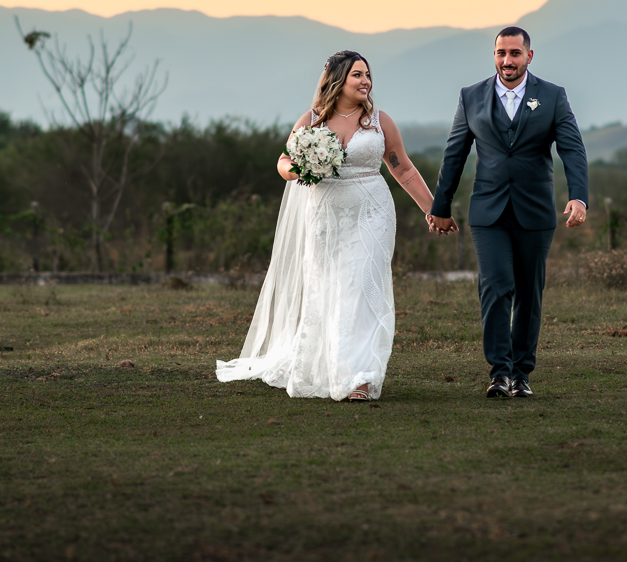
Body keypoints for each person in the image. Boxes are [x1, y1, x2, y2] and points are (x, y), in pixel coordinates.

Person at [216, 50, 437, 402]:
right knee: (332, 289)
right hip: (325, 215)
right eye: (357, 75)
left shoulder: (380, 122)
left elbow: (403, 168)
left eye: (368, 75)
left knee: (361, 287)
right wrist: (297, 169)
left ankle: (360, 378)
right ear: (338, 80)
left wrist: (434, 209)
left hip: (372, 212)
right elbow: (284, 160)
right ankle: (335, 367)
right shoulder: (312, 120)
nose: (366, 81)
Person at [429, 26, 588, 398]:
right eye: (501, 53)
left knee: (529, 293)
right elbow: (454, 154)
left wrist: (578, 197)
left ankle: (522, 374)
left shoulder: (552, 96)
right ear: (494, 55)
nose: (507, 60)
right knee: (496, 284)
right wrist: (441, 206)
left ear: (529, 56)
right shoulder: (471, 96)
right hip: (488, 210)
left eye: (515, 53)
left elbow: (572, 149)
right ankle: (499, 373)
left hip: (535, 210)